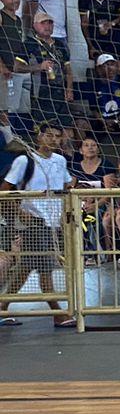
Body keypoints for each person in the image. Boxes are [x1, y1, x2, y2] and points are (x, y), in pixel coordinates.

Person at [0, 121, 73, 328]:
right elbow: (6, 189)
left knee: (26, 267)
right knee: (45, 268)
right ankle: (58, 313)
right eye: (48, 135)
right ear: (38, 137)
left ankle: (2, 306)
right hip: (35, 223)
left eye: (57, 136)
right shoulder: (25, 160)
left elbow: (68, 182)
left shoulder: (60, 160)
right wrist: (20, 212)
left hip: (53, 222)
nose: (53, 139)